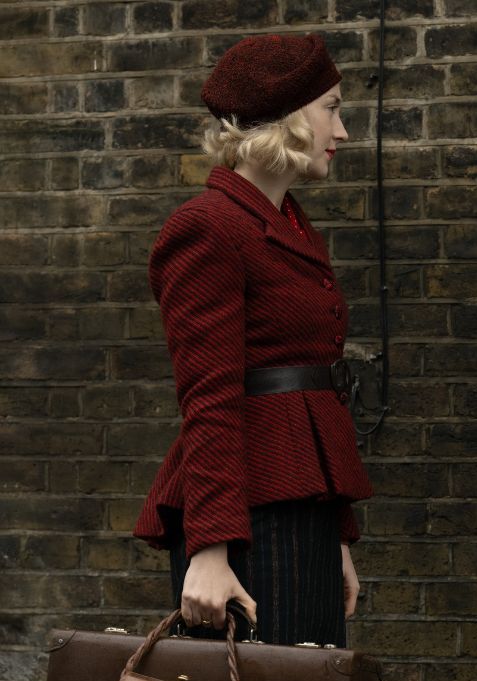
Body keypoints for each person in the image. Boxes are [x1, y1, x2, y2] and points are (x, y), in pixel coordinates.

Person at [132, 33, 373, 647]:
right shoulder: (207, 228)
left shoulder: (288, 221)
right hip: (248, 523)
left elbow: (313, 392)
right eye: (332, 108)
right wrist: (210, 550)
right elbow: (210, 399)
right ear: (290, 118)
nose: (342, 131)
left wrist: (334, 537)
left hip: (300, 512)